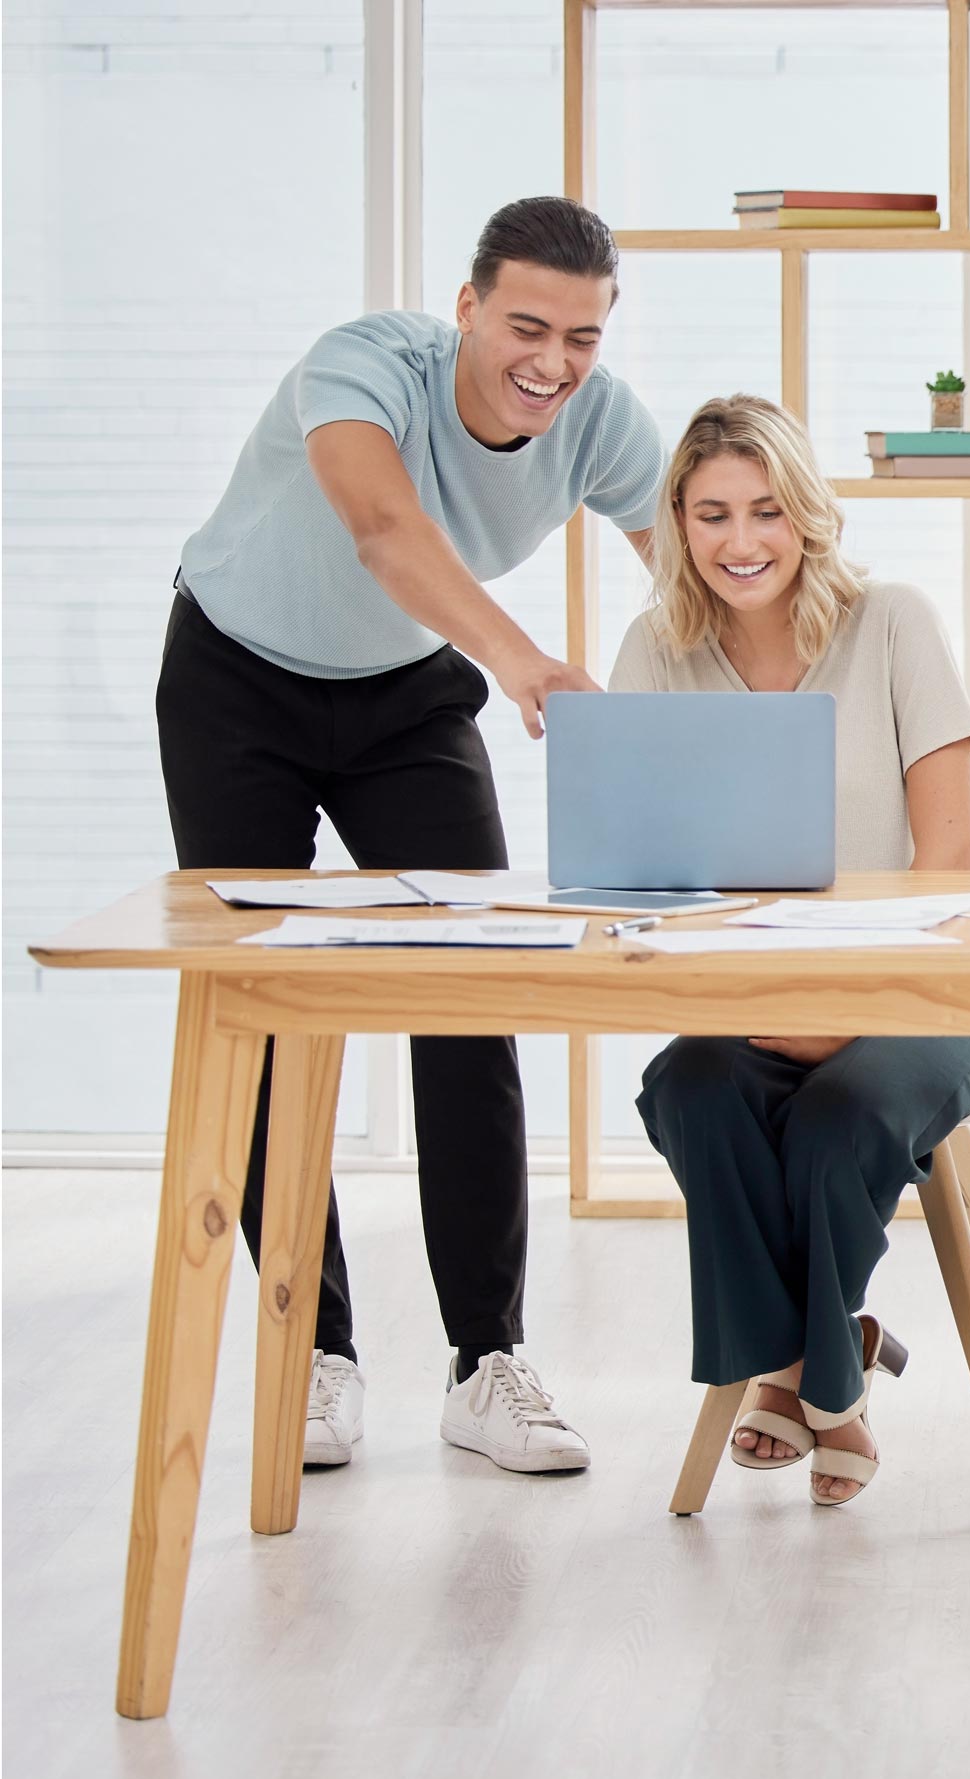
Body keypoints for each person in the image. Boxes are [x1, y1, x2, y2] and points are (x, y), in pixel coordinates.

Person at [156, 196, 666, 1474]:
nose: (552, 363)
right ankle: (314, 1351)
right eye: (527, 327)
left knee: (468, 996)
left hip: (404, 696)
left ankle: (486, 1361)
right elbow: (385, 531)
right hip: (236, 681)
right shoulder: (363, 365)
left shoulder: (603, 421)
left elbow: (701, 571)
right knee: (268, 1005)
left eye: (583, 337)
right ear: (468, 308)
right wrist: (525, 664)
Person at [609, 395, 970, 1507]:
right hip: (761, 996)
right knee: (691, 1086)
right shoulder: (655, 651)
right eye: (712, 514)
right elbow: (647, 869)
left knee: (841, 1111)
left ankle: (802, 1380)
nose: (741, 541)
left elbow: (951, 861)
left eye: (767, 510)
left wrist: (856, 1012)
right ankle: (827, 1364)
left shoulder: (892, 622)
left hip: (944, 987)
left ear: (807, 514)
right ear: (679, 522)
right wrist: (763, 1002)